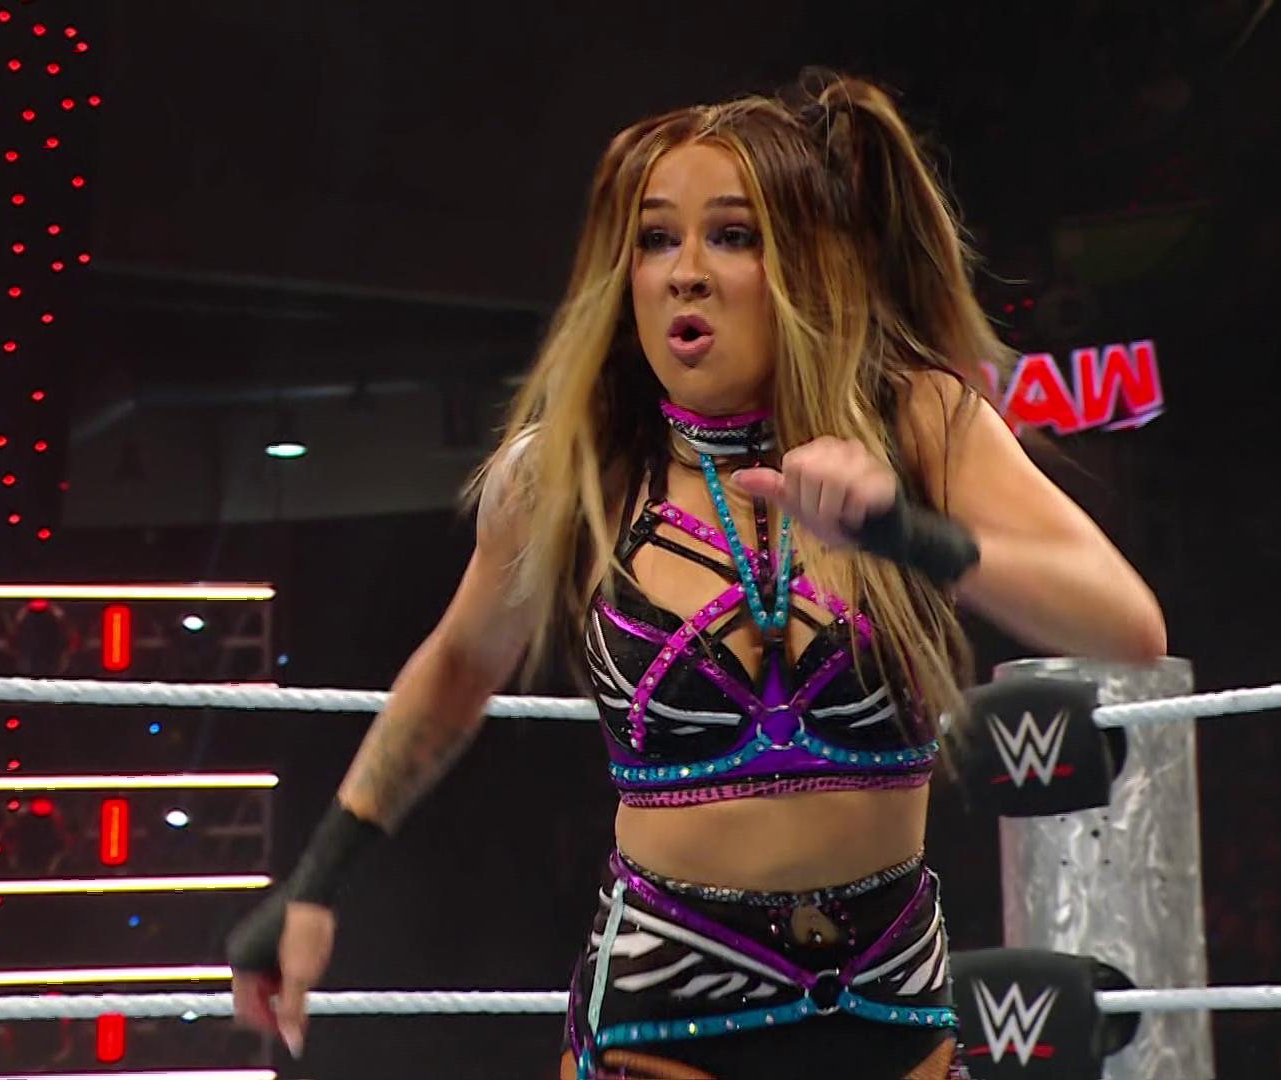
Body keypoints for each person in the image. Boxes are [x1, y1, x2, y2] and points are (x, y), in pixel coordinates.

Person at [224, 68, 1167, 1080]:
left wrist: (905, 536)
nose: (685, 272)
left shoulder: (919, 424)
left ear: (807, 261)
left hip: (892, 1006)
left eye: (731, 235)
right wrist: (317, 880)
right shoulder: (571, 476)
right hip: (665, 1015)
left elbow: (1127, 627)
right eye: (655, 239)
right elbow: (459, 665)